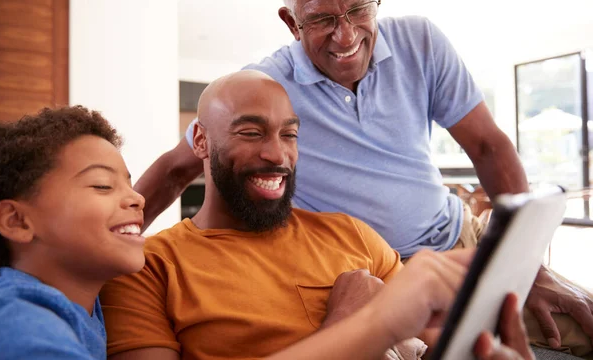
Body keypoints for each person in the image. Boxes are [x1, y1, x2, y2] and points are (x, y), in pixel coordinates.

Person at [134, 0, 593, 355]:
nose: (346, 34)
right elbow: (177, 167)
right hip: (380, 270)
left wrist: (526, 262)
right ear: (292, 23)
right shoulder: (264, 88)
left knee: (582, 319)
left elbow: (489, 147)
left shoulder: (421, 42)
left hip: (463, 238)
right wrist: (107, 246)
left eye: (358, 9)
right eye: (322, 19)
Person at [100, 70, 535, 360]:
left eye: (289, 134)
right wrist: (348, 326)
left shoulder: (352, 236)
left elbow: (434, 345)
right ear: (200, 140)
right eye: (251, 133)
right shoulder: (148, 267)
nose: (277, 154)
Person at [0, 106, 147, 359]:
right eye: (102, 185)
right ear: (17, 221)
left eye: (129, 185)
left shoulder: (76, 293)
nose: (138, 198)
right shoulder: (21, 323)